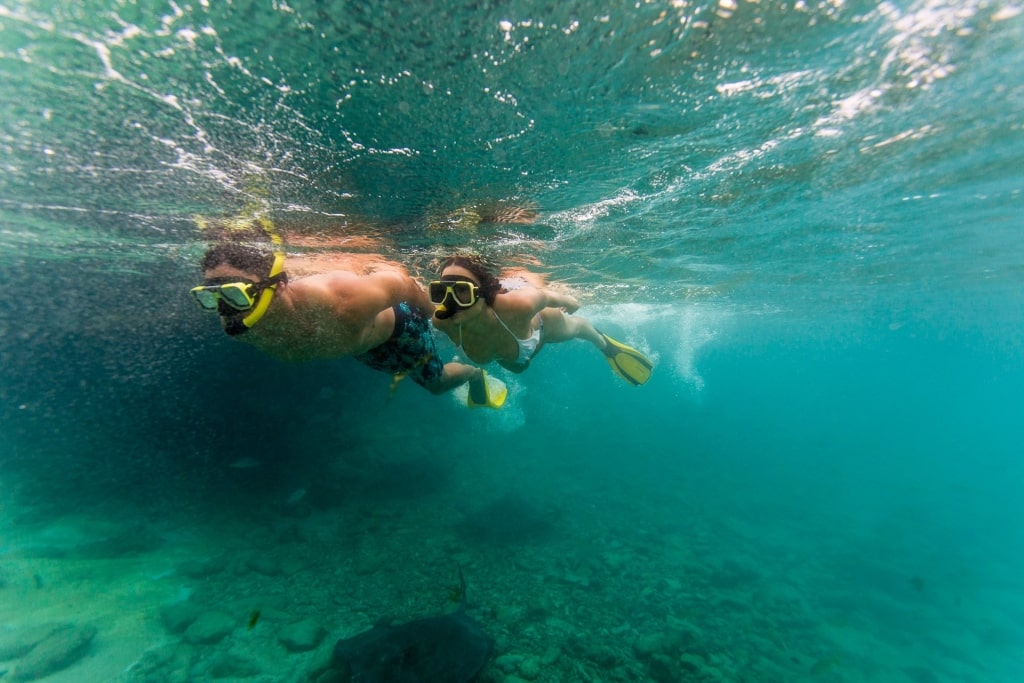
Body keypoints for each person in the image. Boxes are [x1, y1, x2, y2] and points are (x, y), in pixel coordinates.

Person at [189, 219, 500, 406]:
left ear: (278, 286)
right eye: (211, 296)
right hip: (361, 347)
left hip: (400, 333)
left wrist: (443, 321)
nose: (225, 310)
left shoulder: (343, 298)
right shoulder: (239, 323)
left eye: (234, 294)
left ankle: (474, 374)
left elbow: (402, 284)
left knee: (437, 384)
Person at [429, 256, 654, 394]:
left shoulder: (517, 305)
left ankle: (606, 345)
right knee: (518, 368)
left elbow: (544, 296)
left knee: (576, 328)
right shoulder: (442, 322)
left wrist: (570, 302)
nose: (451, 302)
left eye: (462, 292)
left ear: (484, 294)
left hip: (543, 326)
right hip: (511, 354)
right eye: (442, 292)